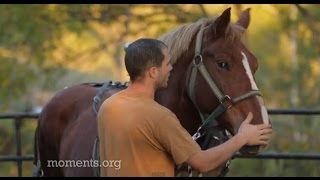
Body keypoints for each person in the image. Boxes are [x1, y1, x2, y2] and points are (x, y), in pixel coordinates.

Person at [97, 38, 272, 177]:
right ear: (153, 72)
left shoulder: (108, 106)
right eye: (167, 64)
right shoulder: (159, 116)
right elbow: (203, 162)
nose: (171, 69)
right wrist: (242, 138)